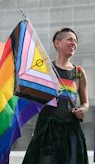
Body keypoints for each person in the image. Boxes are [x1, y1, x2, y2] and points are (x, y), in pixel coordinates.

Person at [22, 28, 89, 164]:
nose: (73, 43)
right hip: (48, 131)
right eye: (69, 39)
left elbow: (85, 102)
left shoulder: (79, 72)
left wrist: (83, 109)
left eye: (75, 41)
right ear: (57, 43)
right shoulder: (45, 70)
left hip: (71, 131)